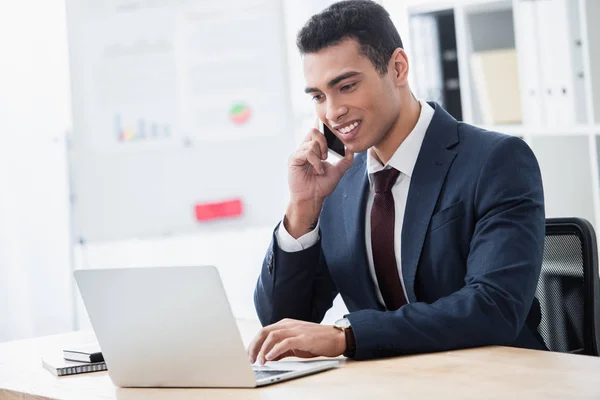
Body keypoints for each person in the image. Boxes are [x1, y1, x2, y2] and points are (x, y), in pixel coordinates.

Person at [248, 0, 546, 364]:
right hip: (393, 383)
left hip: (497, 377)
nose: (332, 111)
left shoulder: (495, 161)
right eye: (319, 96)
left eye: (346, 86)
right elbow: (282, 321)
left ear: (398, 68)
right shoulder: (337, 182)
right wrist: (301, 209)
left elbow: (494, 306)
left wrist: (348, 335)